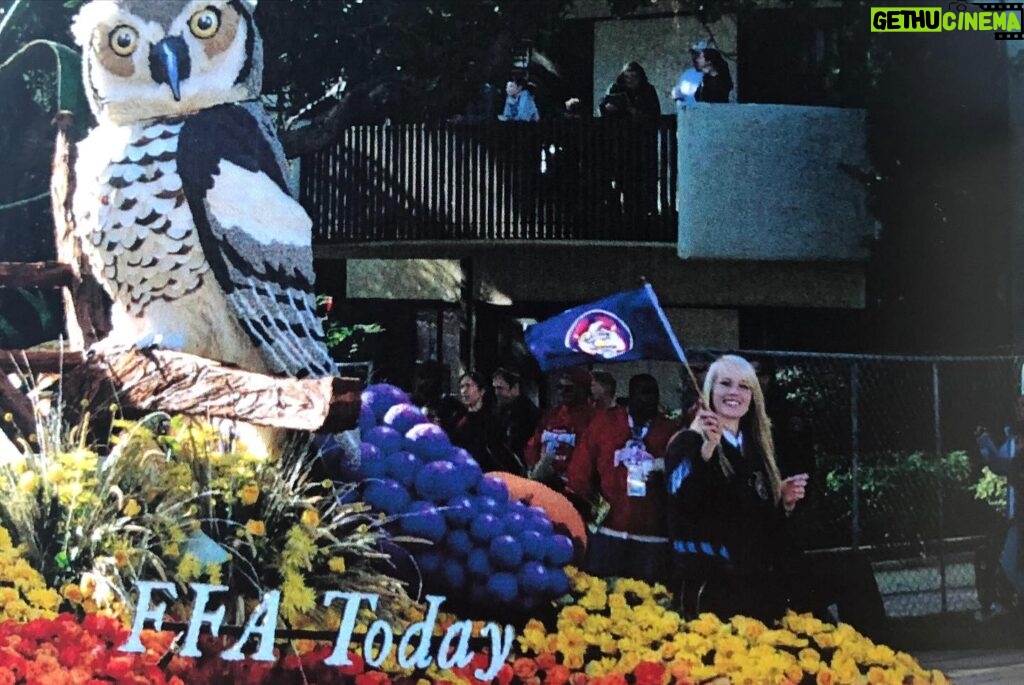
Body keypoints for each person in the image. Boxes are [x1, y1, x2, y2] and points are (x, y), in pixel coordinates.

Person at [665, 354, 808, 622]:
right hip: (713, 586)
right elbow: (681, 502)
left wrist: (782, 501)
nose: (734, 392)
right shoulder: (686, 442)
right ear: (710, 391)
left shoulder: (757, 448)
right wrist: (706, 451)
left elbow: (760, 523)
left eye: (744, 386)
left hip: (758, 579)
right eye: (726, 384)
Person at [567, 374, 680, 587]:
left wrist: (661, 465)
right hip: (608, 530)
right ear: (630, 395)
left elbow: (682, 476)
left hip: (653, 536)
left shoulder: (670, 431)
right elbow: (580, 472)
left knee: (651, 605)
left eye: (654, 394)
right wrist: (589, 512)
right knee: (600, 597)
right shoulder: (604, 424)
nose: (650, 400)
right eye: (644, 393)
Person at [974, 395, 1024, 612]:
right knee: (1010, 562)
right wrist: (985, 443)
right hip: (1018, 516)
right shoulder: (1014, 439)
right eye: (1018, 405)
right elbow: (1000, 465)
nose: (1019, 409)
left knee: (1011, 562)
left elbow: (1007, 466)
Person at [524, 368, 596, 492]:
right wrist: (534, 466)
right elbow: (534, 444)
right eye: (559, 387)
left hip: (574, 489)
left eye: (568, 388)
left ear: (583, 390)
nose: (562, 392)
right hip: (544, 483)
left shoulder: (593, 418)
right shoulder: (551, 415)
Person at [451, 371, 522, 474]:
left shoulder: (493, 419)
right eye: (461, 387)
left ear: (482, 391)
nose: (464, 391)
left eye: (468, 386)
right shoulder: (457, 418)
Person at [492, 367, 541, 463]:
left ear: (514, 388)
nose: (496, 393)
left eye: (500, 388)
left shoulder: (528, 414)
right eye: (495, 388)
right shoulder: (500, 411)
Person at [671, 42, 707, 107]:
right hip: (687, 114)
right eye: (693, 55)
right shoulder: (687, 74)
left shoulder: (712, 76)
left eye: (698, 55)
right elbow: (678, 94)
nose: (695, 58)